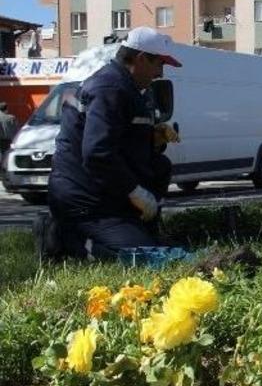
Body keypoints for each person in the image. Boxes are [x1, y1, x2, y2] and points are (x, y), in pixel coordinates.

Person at [47, 27, 181, 259]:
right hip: (86, 200)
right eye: (159, 64)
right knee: (141, 257)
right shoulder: (109, 89)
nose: (160, 73)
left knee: (161, 166)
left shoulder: (127, 88)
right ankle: (63, 239)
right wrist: (136, 192)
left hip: (105, 194)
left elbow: (122, 142)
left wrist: (152, 138)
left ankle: (137, 230)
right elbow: (98, 153)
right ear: (140, 59)